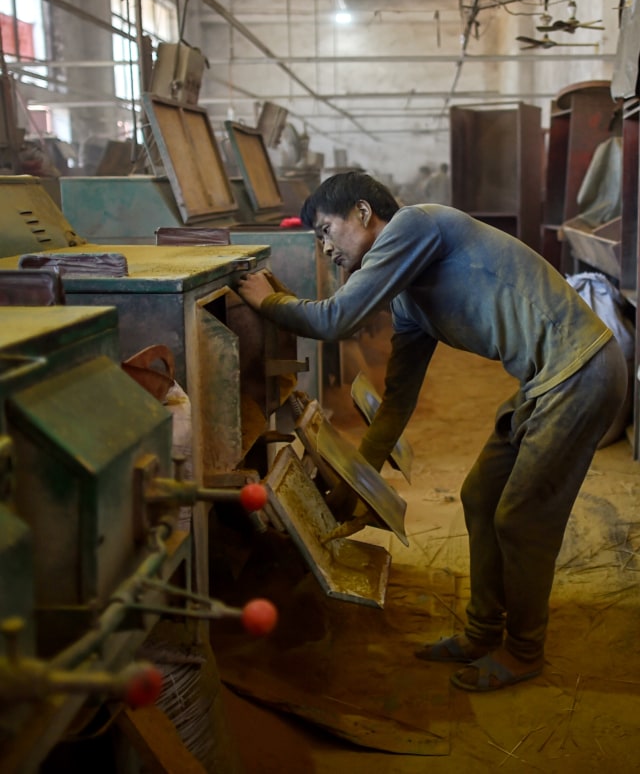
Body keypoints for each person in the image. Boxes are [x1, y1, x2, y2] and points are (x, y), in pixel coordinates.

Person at [237, 171, 627, 693]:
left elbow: (337, 320)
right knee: (480, 496)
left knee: (520, 517)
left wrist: (267, 301)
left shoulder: (415, 225)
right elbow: (396, 402)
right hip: (544, 382)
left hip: (582, 370)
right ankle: (483, 631)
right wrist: (356, 481)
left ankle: (524, 649)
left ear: (362, 212)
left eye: (327, 230)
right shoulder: (407, 302)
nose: (326, 247)